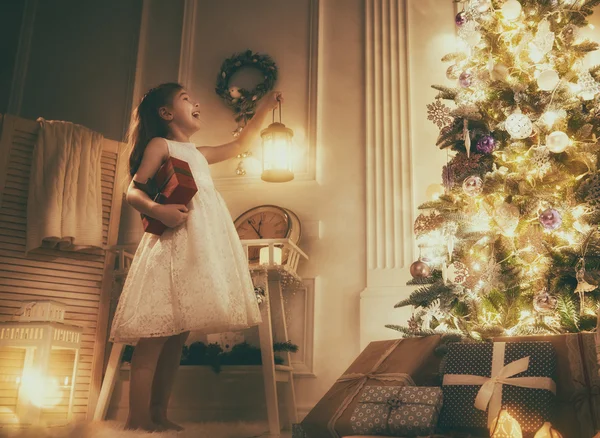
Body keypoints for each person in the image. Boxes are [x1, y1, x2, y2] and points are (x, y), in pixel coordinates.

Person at [109, 82, 282, 431]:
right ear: (167, 113)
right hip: (171, 247)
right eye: (187, 99)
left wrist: (265, 105)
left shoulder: (199, 154)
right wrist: (160, 210)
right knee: (155, 333)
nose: (197, 102)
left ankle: (159, 413)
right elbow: (133, 190)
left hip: (197, 251)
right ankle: (136, 419)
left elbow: (240, 144)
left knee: (177, 335)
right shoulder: (161, 145)